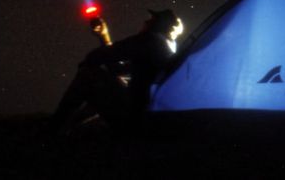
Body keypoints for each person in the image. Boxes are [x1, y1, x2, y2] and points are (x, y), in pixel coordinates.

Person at [48, 8, 184, 134]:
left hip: (136, 120)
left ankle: (54, 129)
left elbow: (105, 55)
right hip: (149, 117)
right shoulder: (169, 48)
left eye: (153, 20)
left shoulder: (151, 40)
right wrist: (104, 36)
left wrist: (90, 60)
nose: (146, 21)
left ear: (165, 26)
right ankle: (67, 127)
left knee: (88, 76)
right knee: (106, 81)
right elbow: (117, 68)